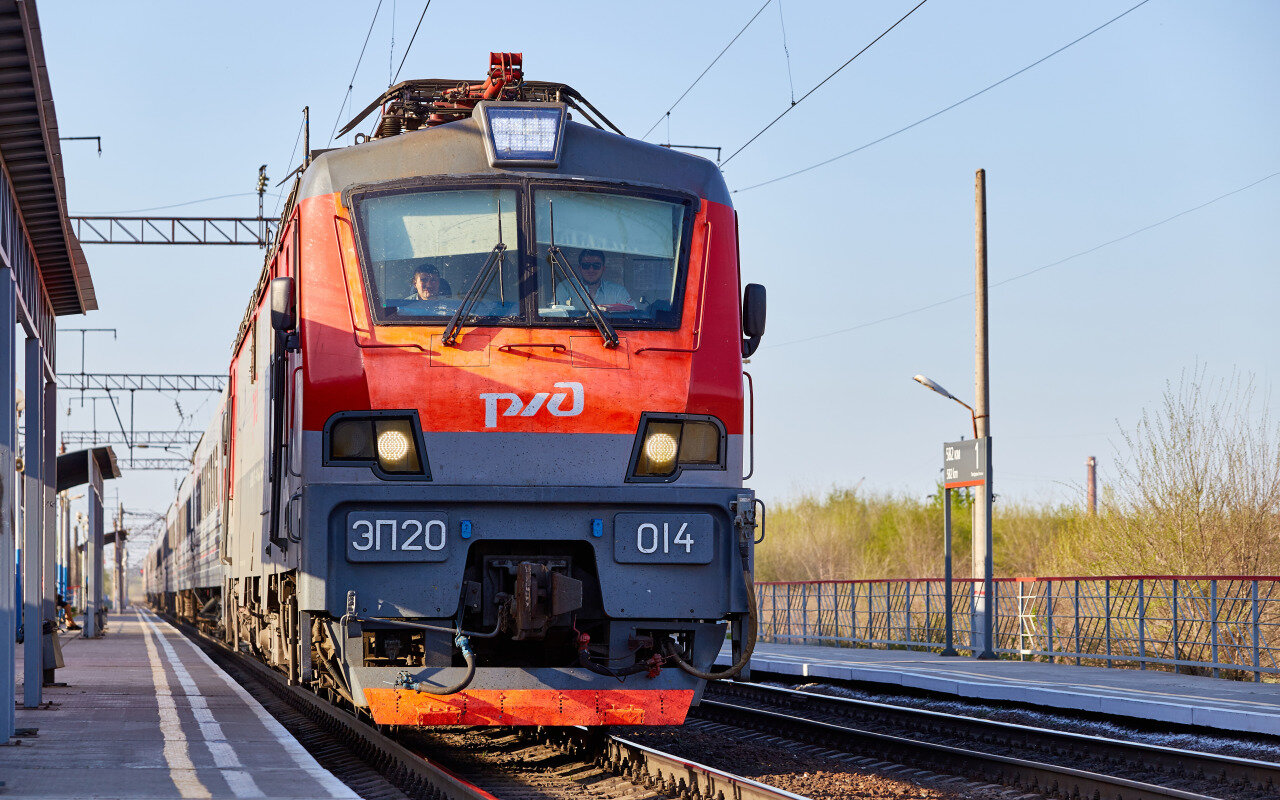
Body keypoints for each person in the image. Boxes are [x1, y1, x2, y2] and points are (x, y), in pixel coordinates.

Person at [554, 249, 634, 310]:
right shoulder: (565, 287)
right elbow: (555, 313)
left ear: (603, 268)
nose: (591, 270)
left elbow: (633, 312)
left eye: (596, 265)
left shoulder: (618, 291)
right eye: (586, 265)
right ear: (579, 268)